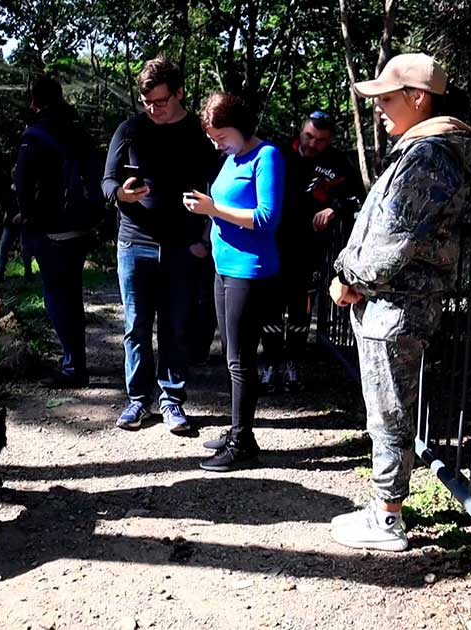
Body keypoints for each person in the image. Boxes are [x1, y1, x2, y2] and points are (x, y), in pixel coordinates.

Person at [328, 53, 471, 551]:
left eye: (387, 99)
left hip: (396, 305)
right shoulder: (424, 149)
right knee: (386, 408)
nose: (379, 109)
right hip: (392, 302)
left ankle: (387, 519)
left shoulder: (430, 155)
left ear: (418, 97)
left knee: (389, 412)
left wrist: (349, 278)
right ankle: (383, 509)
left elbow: (393, 234)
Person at [102, 57, 220, 432]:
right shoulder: (130, 129)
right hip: (134, 243)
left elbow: (218, 188)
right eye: (147, 102)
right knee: (136, 326)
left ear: (179, 92)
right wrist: (121, 194)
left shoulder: (199, 134)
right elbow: (106, 182)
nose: (154, 109)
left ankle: (172, 400)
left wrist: (204, 239)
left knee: (175, 326)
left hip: (182, 247)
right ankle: (137, 400)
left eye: (161, 101)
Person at [184, 92, 284, 472]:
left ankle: (243, 443)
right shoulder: (231, 158)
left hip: (250, 272)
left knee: (241, 360)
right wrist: (206, 210)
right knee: (231, 357)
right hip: (223, 268)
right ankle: (238, 430)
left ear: (241, 127)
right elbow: (225, 208)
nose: (217, 144)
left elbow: (266, 218)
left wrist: (213, 208)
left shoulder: (266, 156)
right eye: (212, 138)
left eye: (221, 136)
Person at [259, 110, 364, 394]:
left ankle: (293, 364)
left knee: (301, 309)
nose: (312, 144)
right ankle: (270, 364)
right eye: (309, 136)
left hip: (309, 249)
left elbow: (358, 197)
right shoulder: (278, 152)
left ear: (330, 140)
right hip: (272, 244)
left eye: (320, 140)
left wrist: (334, 209)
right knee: (270, 308)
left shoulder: (339, 163)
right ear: (301, 131)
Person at [16, 76, 103, 388]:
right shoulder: (77, 129)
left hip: (50, 228)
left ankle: (73, 367)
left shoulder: (34, 135)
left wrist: (27, 220)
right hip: (82, 224)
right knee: (72, 294)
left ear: (35, 101)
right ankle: (75, 360)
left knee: (56, 296)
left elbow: (23, 186)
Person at [0, 167, 34, 282]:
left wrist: (22, 215)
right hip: (9, 224)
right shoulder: (9, 190)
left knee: (25, 248)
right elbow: (1, 203)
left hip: (23, 224)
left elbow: (30, 205)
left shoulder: (26, 189)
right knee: (3, 247)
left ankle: (28, 273)